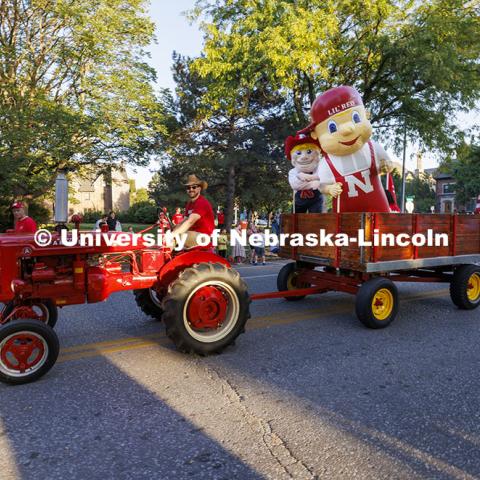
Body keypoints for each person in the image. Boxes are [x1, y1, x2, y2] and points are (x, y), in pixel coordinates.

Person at [171, 174, 215, 248]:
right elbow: (183, 221)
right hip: (193, 234)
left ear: (199, 188)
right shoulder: (189, 204)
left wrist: (173, 235)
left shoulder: (201, 202)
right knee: (172, 236)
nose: (191, 189)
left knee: (178, 236)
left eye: (194, 187)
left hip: (203, 237)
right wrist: (172, 231)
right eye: (188, 187)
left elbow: (190, 221)